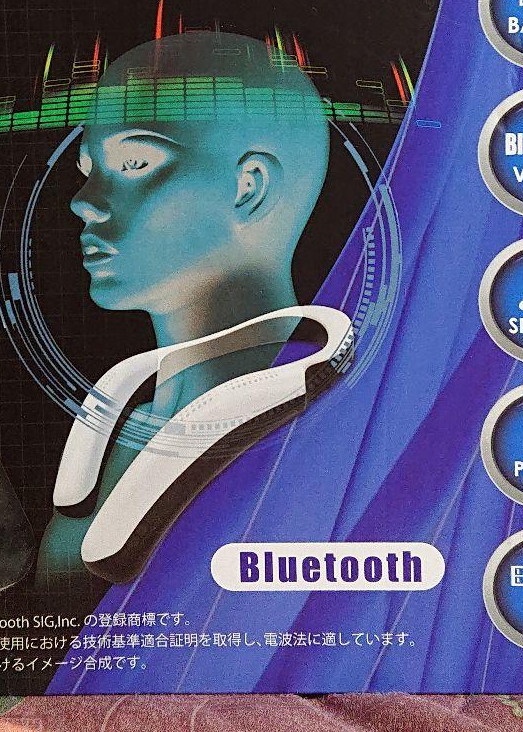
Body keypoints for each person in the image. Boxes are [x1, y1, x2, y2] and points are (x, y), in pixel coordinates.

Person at [39, 30, 332, 580]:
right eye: (88, 169)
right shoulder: (119, 429)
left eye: (134, 163)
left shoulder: (317, 445)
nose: (83, 201)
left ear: (249, 187)